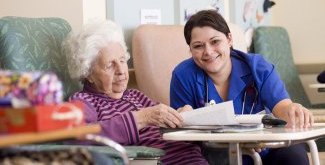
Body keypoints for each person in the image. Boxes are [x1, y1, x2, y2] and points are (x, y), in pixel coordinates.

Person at [170, 10, 313, 165]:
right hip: (215, 153)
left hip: (263, 149)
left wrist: (293, 110)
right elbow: (183, 136)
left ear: (229, 39)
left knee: (294, 154)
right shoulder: (183, 76)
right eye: (198, 46)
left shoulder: (258, 67)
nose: (208, 52)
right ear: (190, 49)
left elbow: (282, 107)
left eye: (215, 42)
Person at [62, 19, 208, 165]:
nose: (121, 71)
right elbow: (74, 137)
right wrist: (141, 118)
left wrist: (182, 116)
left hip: (193, 157)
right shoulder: (83, 101)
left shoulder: (135, 96)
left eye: (122, 60)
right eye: (109, 65)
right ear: (88, 73)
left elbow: (165, 124)